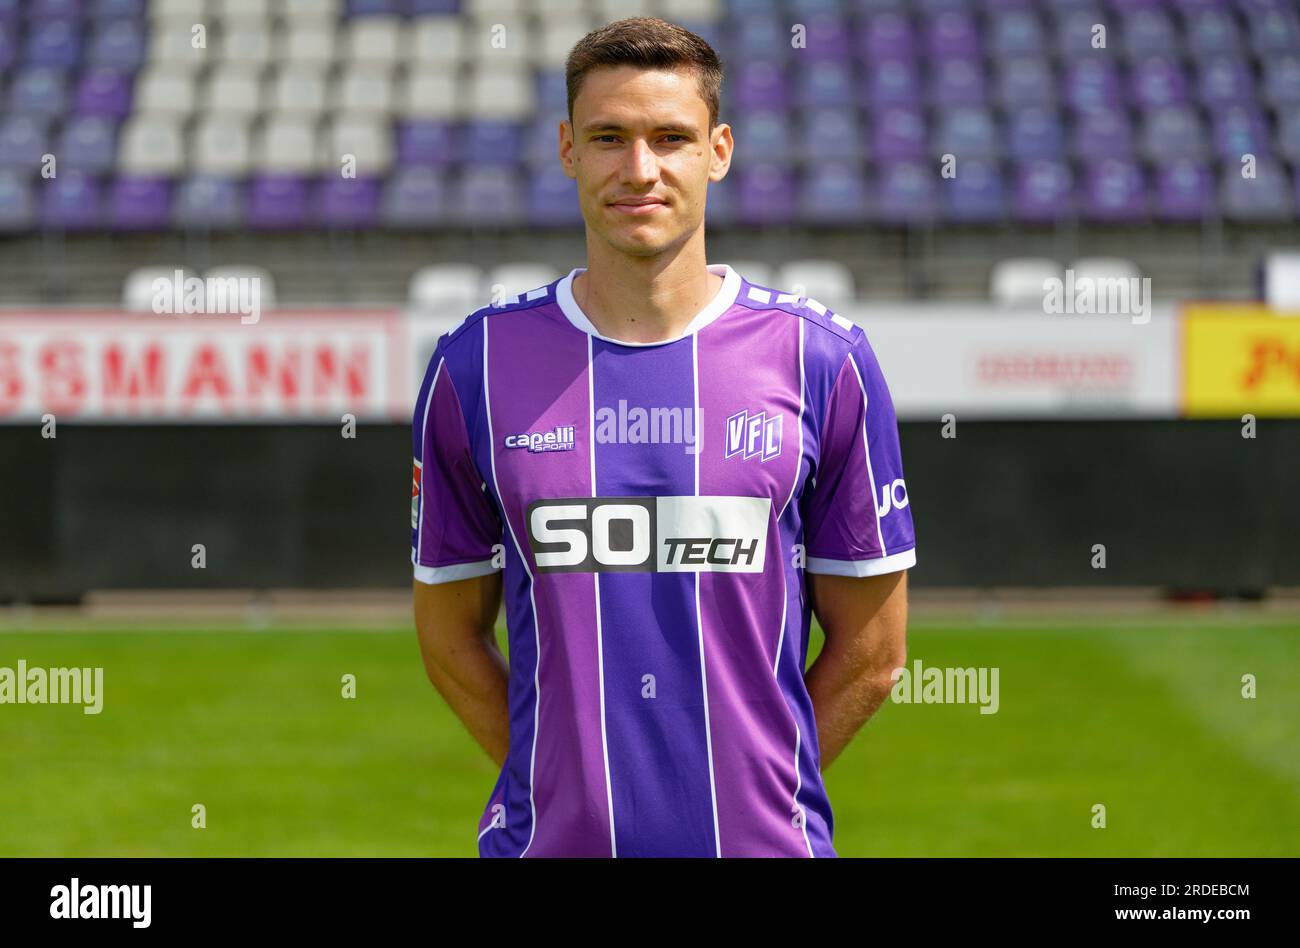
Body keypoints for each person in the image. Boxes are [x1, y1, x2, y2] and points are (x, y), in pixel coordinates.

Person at [411, 16, 915, 857]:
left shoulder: (822, 360)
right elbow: (448, 635)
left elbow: (874, 649)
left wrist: (745, 791)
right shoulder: (477, 365)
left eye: (669, 138)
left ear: (718, 151)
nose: (638, 169)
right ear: (568, 149)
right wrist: (562, 781)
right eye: (609, 137)